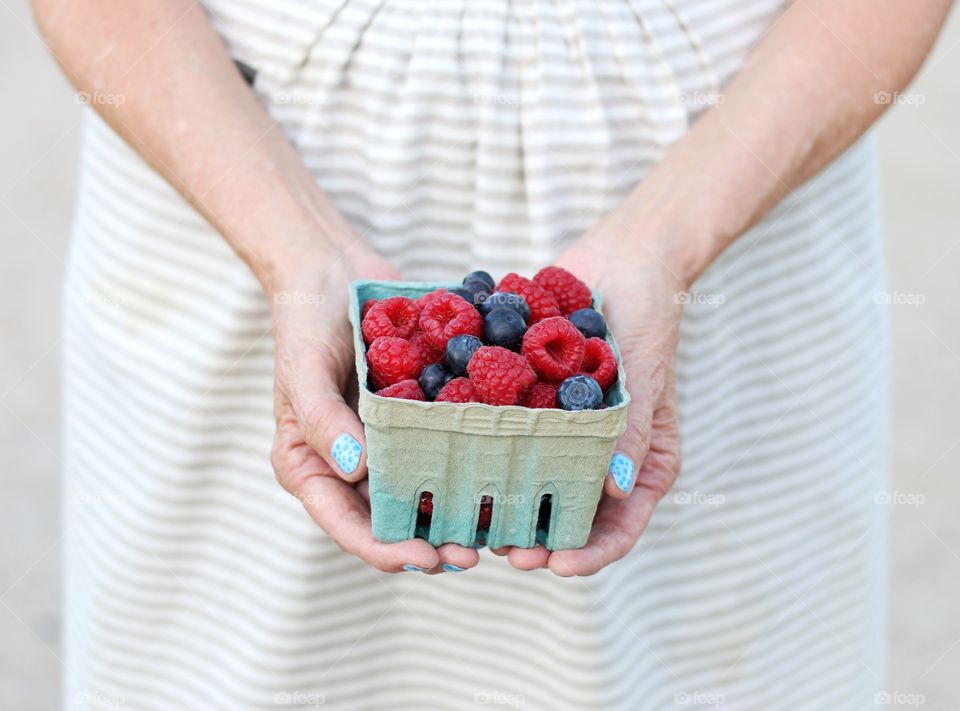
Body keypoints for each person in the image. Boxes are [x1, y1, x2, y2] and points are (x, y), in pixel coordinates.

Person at [35, 0, 952, 708]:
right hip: (228, 156)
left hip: (735, 166)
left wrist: (668, 244)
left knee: (710, 658)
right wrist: (290, 243)